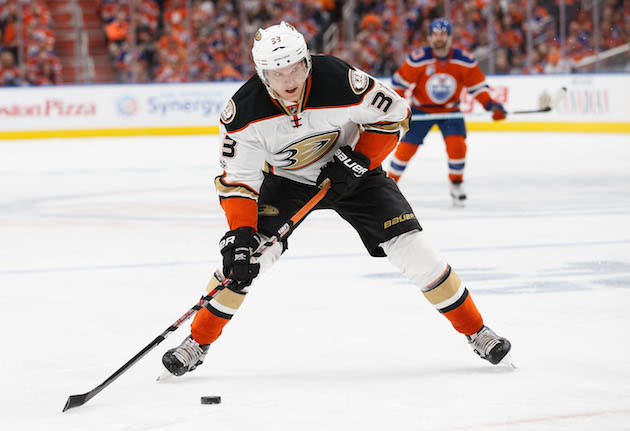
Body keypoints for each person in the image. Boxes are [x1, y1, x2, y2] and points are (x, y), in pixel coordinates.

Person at [161, 22, 511, 377]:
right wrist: (238, 235)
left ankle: (477, 331)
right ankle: (197, 341)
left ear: (307, 61)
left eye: (295, 67)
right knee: (243, 262)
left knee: (414, 249)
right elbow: (239, 183)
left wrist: (361, 159)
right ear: (262, 74)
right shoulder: (243, 113)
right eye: (277, 72)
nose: (289, 80)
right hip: (285, 181)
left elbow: (396, 115)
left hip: (352, 170)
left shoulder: (340, 80)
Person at [386, 18, 507, 206]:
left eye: (442, 34)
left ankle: (456, 184)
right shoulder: (418, 59)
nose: (438, 38)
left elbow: (477, 87)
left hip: (451, 111)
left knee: (457, 147)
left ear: (449, 37)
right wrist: (397, 107)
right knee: (405, 149)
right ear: (429, 37)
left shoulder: (463, 60)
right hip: (421, 110)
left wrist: (491, 105)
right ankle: (388, 186)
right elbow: (398, 84)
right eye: (435, 34)